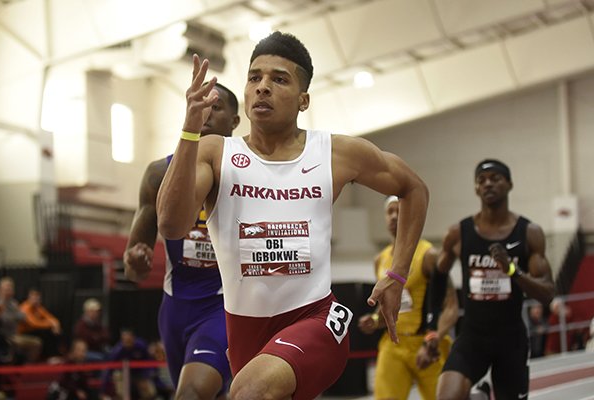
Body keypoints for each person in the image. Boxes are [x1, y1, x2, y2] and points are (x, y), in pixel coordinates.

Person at [156, 31, 429, 400]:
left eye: (278, 79)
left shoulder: (335, 153)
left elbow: (414, 189)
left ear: (304, 100)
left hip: (315, 318)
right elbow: (171, 225)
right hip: (244, 331)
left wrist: (397, 274)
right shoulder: (215, 153)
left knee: (250, 392)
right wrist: (188, 129)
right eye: (255, 77)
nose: (263, 87)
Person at [123, 82, 240, 400]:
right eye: (200, 105)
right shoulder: (159, 173)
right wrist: (135, 260)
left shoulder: (248, 174)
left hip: (224, 306)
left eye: (216, 107)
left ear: (235, 121)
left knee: (191, 393)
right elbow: (134, 271)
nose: (206, 113)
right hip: (174, 309)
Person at [427, 159, 555, 400]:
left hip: (511, 341)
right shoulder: (458, 233)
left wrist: (512, 271)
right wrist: (432, 328)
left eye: (495, 178)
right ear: (476, 189)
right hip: (472, 337)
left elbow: (548, 293)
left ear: (509, 184)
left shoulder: (529, 233)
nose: (488, 184)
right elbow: (438, 274)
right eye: (481, 180)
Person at [358, 195, 458, 400]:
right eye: (390, 212)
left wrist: (434, 338)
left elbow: (451, 306)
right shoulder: (380, 260)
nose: (394, 217)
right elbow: (389, 304)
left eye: (400, 211)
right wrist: (376, 320)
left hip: (427, 343)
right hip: (394, 345)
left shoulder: (428, 255)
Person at [0, 277, 42, 363]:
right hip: (2, 336)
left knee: (37, 342)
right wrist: (13, 316)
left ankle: (26, 365)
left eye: (10, 288)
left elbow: (22, 317)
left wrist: (13, 316)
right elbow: (4, 320)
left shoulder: (14, 303)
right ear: (0, 290)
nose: (8, 291)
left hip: (15, 334)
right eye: (6, 289)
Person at [19, 288, 62, 360]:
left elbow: (51, 318)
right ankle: (51, 356)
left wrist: (55, 324)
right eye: (33, 297)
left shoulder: (38, 308)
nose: (35, 299)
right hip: (24, 332)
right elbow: (33, 323)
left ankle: (56, 355)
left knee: (56, 331)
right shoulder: (25, 307)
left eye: (37, 297)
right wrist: (50, 324)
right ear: (29, 298)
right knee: (46, 332)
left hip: (35, 331)